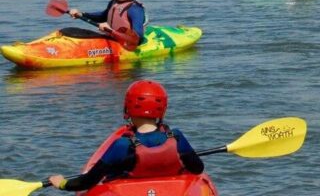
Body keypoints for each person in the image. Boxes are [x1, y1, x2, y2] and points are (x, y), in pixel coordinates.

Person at [47, 80, 205, 192]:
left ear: (128, 107)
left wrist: (62, 183)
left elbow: (86, 182)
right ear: (162, 109)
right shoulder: (175, 137)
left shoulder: (122, 145)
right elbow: (197, 168)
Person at [66, 0, 146, 46]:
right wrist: (81, 14)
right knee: (70, 31)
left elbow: (137, 38)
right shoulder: (112, 3)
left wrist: (111, 31)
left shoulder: (135, 9)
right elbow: (102, 17)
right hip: (111, 40)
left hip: (126, 45)